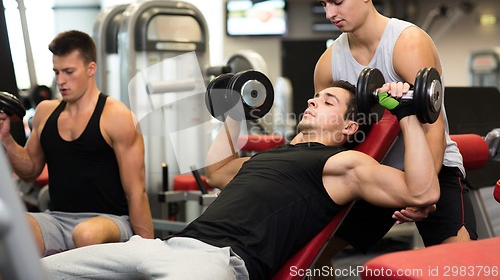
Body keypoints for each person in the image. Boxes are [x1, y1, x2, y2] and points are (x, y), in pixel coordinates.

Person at [41, 80, 439, 280]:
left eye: (328, 101)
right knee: (31, 270)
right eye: (315, 96)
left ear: (351, 125)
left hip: (217, 263)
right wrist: (234, 109)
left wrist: (404, 111)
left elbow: (421, 190)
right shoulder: (274, 155)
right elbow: (217, 170)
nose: (313, 100)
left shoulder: (341, 163)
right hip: (161, 246)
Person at [305, 0, 477, 274]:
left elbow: (433, 126)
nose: (330, 13)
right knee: (309, 258)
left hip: (433, 168)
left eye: (337, 1)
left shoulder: (406, 43)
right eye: (324, 4)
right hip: (373, 176)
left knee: (460, 266)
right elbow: (323, 136)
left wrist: (422, 193)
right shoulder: (328, 62)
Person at [0, 30, 154, 256]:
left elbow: (136, 191)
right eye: (57, 72)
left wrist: (148, 252)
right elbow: (30, 171)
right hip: (57, 220)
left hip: (110, 221)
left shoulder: (116, 116)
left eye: (69, 72)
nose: (60, 80)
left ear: (91, 69)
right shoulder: (45, 112)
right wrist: (6, 138)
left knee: (86, 234)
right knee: (11, 228)